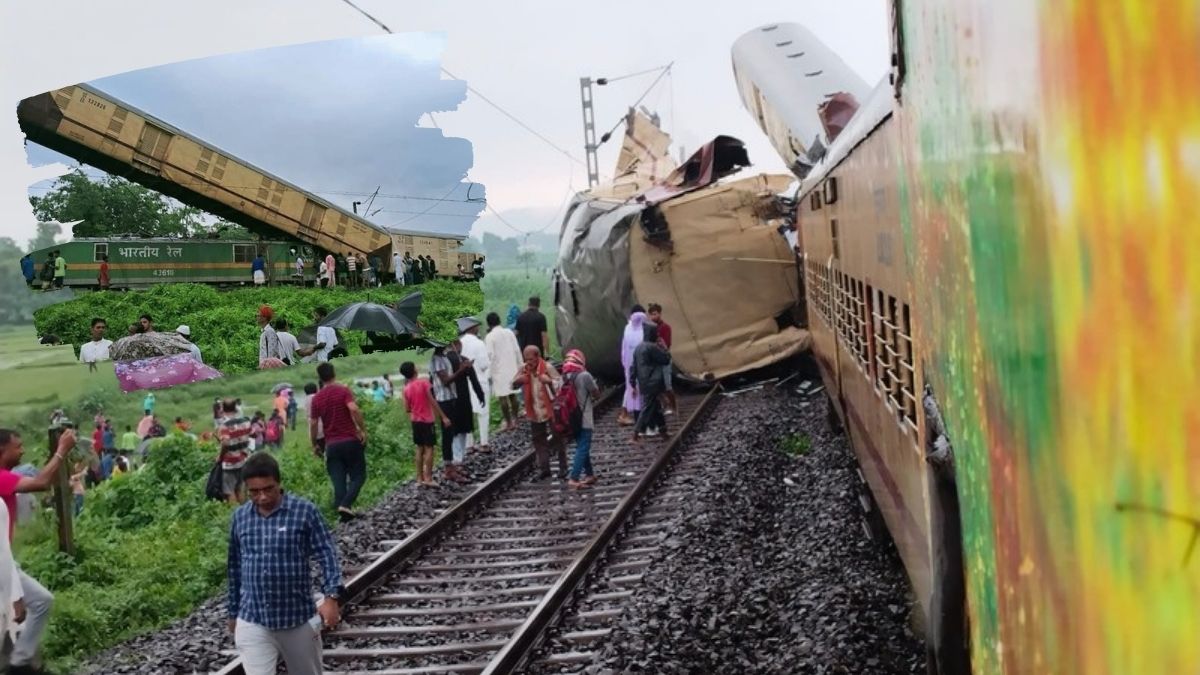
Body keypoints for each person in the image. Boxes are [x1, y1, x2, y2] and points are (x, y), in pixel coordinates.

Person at [227, 452, 343, 675]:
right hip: (253, 618)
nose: (262, 497)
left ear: (278, 483)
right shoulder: (240, 517)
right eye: (254, 492)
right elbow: (234, 567)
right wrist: (233, 613)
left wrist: (331, 597)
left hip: (296, 618)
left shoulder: (304, 512)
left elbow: (327, 554)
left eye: (267, 489)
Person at [0, 425, 77, 674]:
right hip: (3, 561)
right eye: (18, 446)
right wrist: (61, 450)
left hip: (6, 559)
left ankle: (20, 662)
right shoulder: (1, 478)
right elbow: (42, 482)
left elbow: (44, 478)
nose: (22, 451)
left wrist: (59, 456)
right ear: (2, 449)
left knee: (41, 601)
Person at [309, 362, 368, 522]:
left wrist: (314, 444)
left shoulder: (317, 398)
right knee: (359, 476)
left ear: (320, 378)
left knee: (338, 480)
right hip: (350, 441)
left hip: (332, 446)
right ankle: (346, 505)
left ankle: (344, 516)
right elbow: (354, 409)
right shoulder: (343, 390)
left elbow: (314, 423)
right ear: (334, 373)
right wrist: (362, 429)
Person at [512, 345, 567, 480]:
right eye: (526, 359)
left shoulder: (547, 367)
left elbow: (561, 384)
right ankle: (544, 468)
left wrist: (548, 381)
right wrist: (518, 381)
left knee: (557, 437)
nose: (528, 362)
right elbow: (512, 383)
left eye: (530, 359)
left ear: (538, 357)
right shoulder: (524, 369)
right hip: (534, 410)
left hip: (551, 408)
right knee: (538, 440)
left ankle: (563, 467)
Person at [430, 343, 481, 483]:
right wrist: (461, 370)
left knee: (452, 432)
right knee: (448, 435)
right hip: (444, 400)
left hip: (451, 399)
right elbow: (446, 381)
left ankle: (452, 466)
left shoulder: (443, 358)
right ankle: (448, 469)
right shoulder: (437, 360)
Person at [401, 361, 449, 487]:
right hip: (427, 421)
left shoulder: (406, 388)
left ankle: (419, 478)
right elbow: (432, 401)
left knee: (419, 448)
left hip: (415, 421)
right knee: (429, 448)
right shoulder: (424, 383)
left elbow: (407, 408)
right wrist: (443, 417)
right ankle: (428, 478)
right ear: (414, 370)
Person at [561, 350, 600, 489]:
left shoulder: (564, 376)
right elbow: (596, 394)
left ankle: (589, 474)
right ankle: (574, 478)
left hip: (571, 417)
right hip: (584, 417)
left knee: (582, 447)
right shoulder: (585, 375)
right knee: (583, 448)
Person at [631, 322, 672, 442]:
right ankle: (636, 433)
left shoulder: (638, 348)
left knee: (656, 406)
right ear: (653, 333)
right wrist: (664, 348)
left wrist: (632, 383)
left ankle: (663, 431)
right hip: (654, 381)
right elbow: (665, 360)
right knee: (648, 407)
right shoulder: (652, 347)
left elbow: (633, 367)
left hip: (643, 382)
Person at [484, 312, 523, 432]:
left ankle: (509, 422)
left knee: (503, 397)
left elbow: (490, 356)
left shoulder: (490, 337)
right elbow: (517, 350)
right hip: (512, 367)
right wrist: (520, 366)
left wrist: (488, 374)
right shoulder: (509, 332)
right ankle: (516, 419)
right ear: (499, 320)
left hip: (498, 370)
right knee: (513, 395)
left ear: (489, 324)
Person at [457, 317, 491, 452]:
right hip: (480, 381)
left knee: (468, 412)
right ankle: (484, 443)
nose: (478, 328)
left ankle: (469, 445)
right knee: (483, 413)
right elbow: (484, 365)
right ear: (472, 328)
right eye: (476, 326)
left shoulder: (459, 343)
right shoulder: (479, 343)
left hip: (465, 383)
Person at [217, 399, 251, 505]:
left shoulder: (224, 426)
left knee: (229, 491)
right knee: (240, 488)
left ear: (223, 409)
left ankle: (234, 514)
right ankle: (244, 511)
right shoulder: (245, 421)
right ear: (235, 408)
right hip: (244, 459)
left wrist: (220, 457)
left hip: (230, 463)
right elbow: (252, 435)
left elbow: (226, 443)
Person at [618, 308, 647, 426]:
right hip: (639, 364)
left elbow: (624, 349)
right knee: (635, 389)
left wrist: (625, 363)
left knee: (631, 388)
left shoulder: (627, 328)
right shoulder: (642, 328)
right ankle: (625, 414)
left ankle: (628, 414)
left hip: (629, 364)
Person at [646, 303, 676, 414]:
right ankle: (665, 404)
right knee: (655, 387)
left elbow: (667, 344)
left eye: (655, 314)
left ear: (659, 314)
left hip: (664, 359)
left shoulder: (665, 327)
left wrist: (658, 343)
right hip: (654, 361)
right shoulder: (649, 328)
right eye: (651, 315)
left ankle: (673, 407)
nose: (653, 317)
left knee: (667, 385)